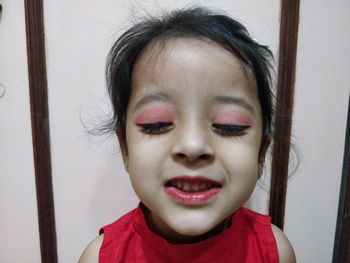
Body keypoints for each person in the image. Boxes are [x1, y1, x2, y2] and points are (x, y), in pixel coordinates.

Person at [79, 7, 296, 263]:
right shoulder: (101, 258)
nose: (192, 145)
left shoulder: (275, 252)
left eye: (230, 126)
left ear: (261, 153)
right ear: (125, 148)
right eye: (156, 124)